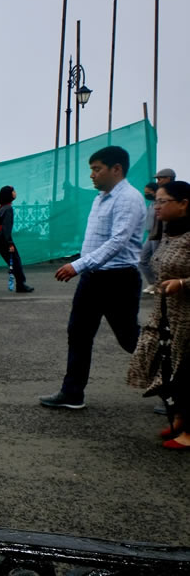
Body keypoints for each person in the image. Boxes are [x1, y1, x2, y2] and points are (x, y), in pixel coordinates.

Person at [40, 145, 146, 409]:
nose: (92, 175)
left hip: (119, 279)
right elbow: (95, 240)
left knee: (130, 338)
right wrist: (83, 265)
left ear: (116, 169)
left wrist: (78, 265)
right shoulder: (102, 197)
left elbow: (118, 241)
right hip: (93, 278)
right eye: (92, 169)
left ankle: (177, 391)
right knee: (78, 333)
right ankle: (72, 393)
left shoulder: (129, 198)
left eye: (97, 169)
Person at [126, 180, 190, 449]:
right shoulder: (168, 230)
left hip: (188, 315)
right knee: (166, 367)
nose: (157, 207)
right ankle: (180, 418)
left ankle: (188, 433)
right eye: (156, 201)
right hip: (167, 314)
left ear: (184, 204)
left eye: (163, 201)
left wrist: (183, 283)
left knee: (187, 372)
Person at [138, 182, 159, 295]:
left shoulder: (159, 204)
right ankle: (153, 283)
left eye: (148, 192)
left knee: (156, 260)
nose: (146, 194)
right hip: (150, 235)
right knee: (142, 259)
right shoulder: (151, 204)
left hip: (157, 235)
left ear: (154, 191)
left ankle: (159, 285)